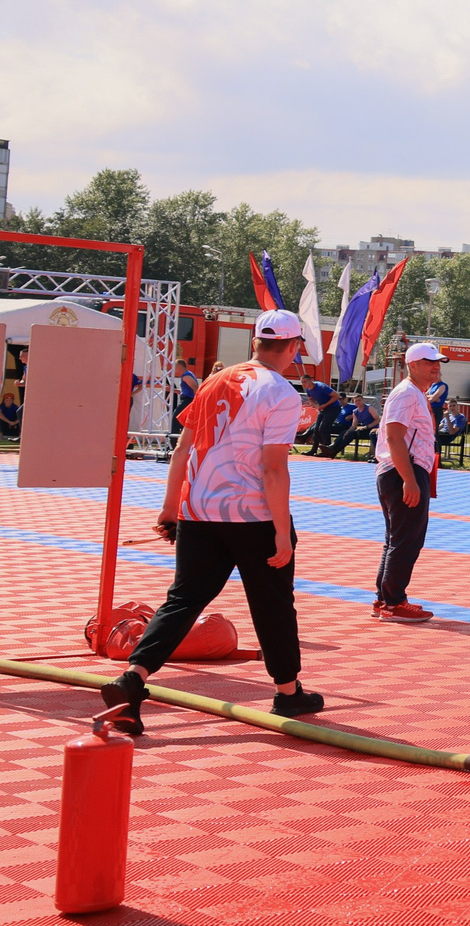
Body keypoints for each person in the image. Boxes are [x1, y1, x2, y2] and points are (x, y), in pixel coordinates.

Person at [104, 310, 327, 734]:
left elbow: (182, 449)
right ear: (294, 347)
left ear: (255, 341)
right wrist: (282, 532)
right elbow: (274, 469)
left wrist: (170, 507)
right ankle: (287, 691)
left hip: (198, 509)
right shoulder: (281, 392)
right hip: (250, 513)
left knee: (183, 599)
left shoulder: (212, 381)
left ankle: (134, 678)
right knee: (272, 603)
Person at [372, 341, 445, 624]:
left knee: (397, 539)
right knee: (406, 540)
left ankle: (385, 598)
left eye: (438, 361)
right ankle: (393, 602)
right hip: (404, 471)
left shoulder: (413, 393)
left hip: (404, 471)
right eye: (429, 362)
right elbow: (393, 437)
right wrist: (409, 480)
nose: (436, 366)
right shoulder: (407, 394)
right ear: (412, 365)